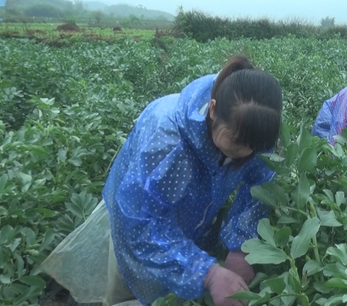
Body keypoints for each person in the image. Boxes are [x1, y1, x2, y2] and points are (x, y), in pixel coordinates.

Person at [45, 55, 284, 306]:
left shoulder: (256, 125)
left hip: (197, 217)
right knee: (130, 289)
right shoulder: (166, 137)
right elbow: (141, 224)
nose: (245, 153)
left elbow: (260, 181)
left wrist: (241, 245)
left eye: (252, 147)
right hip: (136, 222)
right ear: (213, 110)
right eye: (236, 142)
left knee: (177, 289)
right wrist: (208, 273)